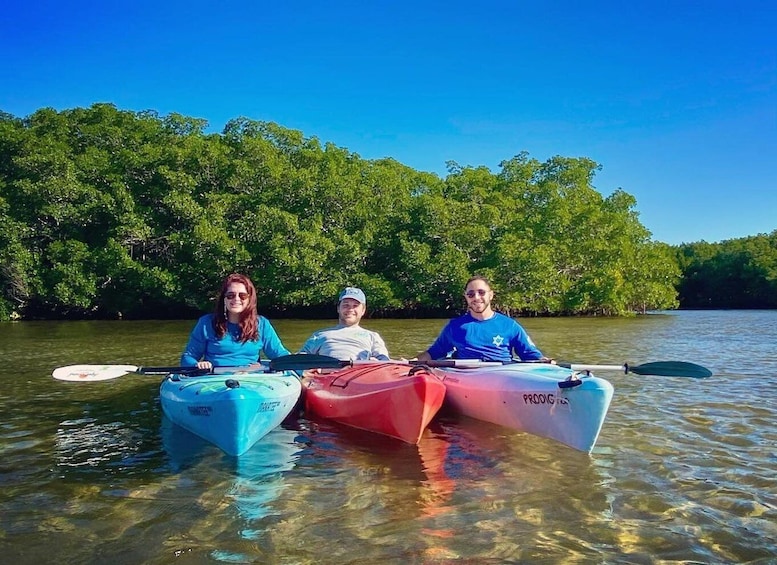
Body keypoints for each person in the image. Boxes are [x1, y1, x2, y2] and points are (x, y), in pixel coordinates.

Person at [416, 275, 548, 364]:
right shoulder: (455, 326)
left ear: (491, 295)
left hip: (504, 375)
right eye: (471, 294)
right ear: (466, 297)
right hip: (467, 377)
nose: (476, 297)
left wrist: (547, 363)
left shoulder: (510, 326)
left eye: (481, 292)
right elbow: (433, 353)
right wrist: (409, 363)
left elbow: (532, 356)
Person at [180, 273, 290, 369]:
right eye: (230, 295)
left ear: (249, 299)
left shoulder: (262, 324)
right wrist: (197, 365)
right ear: (224, 299)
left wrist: (301, 368)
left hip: (251, 379)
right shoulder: (206, 323)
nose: (236, 299)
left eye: (242, 296)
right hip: (214, 380)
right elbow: (188, 357)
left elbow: (279, 354)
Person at [298, 287, 391, 361]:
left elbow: (384, 360)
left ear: (363, 310)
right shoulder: (319, 335)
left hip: (360, 375)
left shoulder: (372, 336)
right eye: (346, 305)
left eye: (355, 306)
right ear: (338, 308)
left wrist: (377, 363)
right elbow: (300, 359)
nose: (350, 309)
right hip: (328, 376)